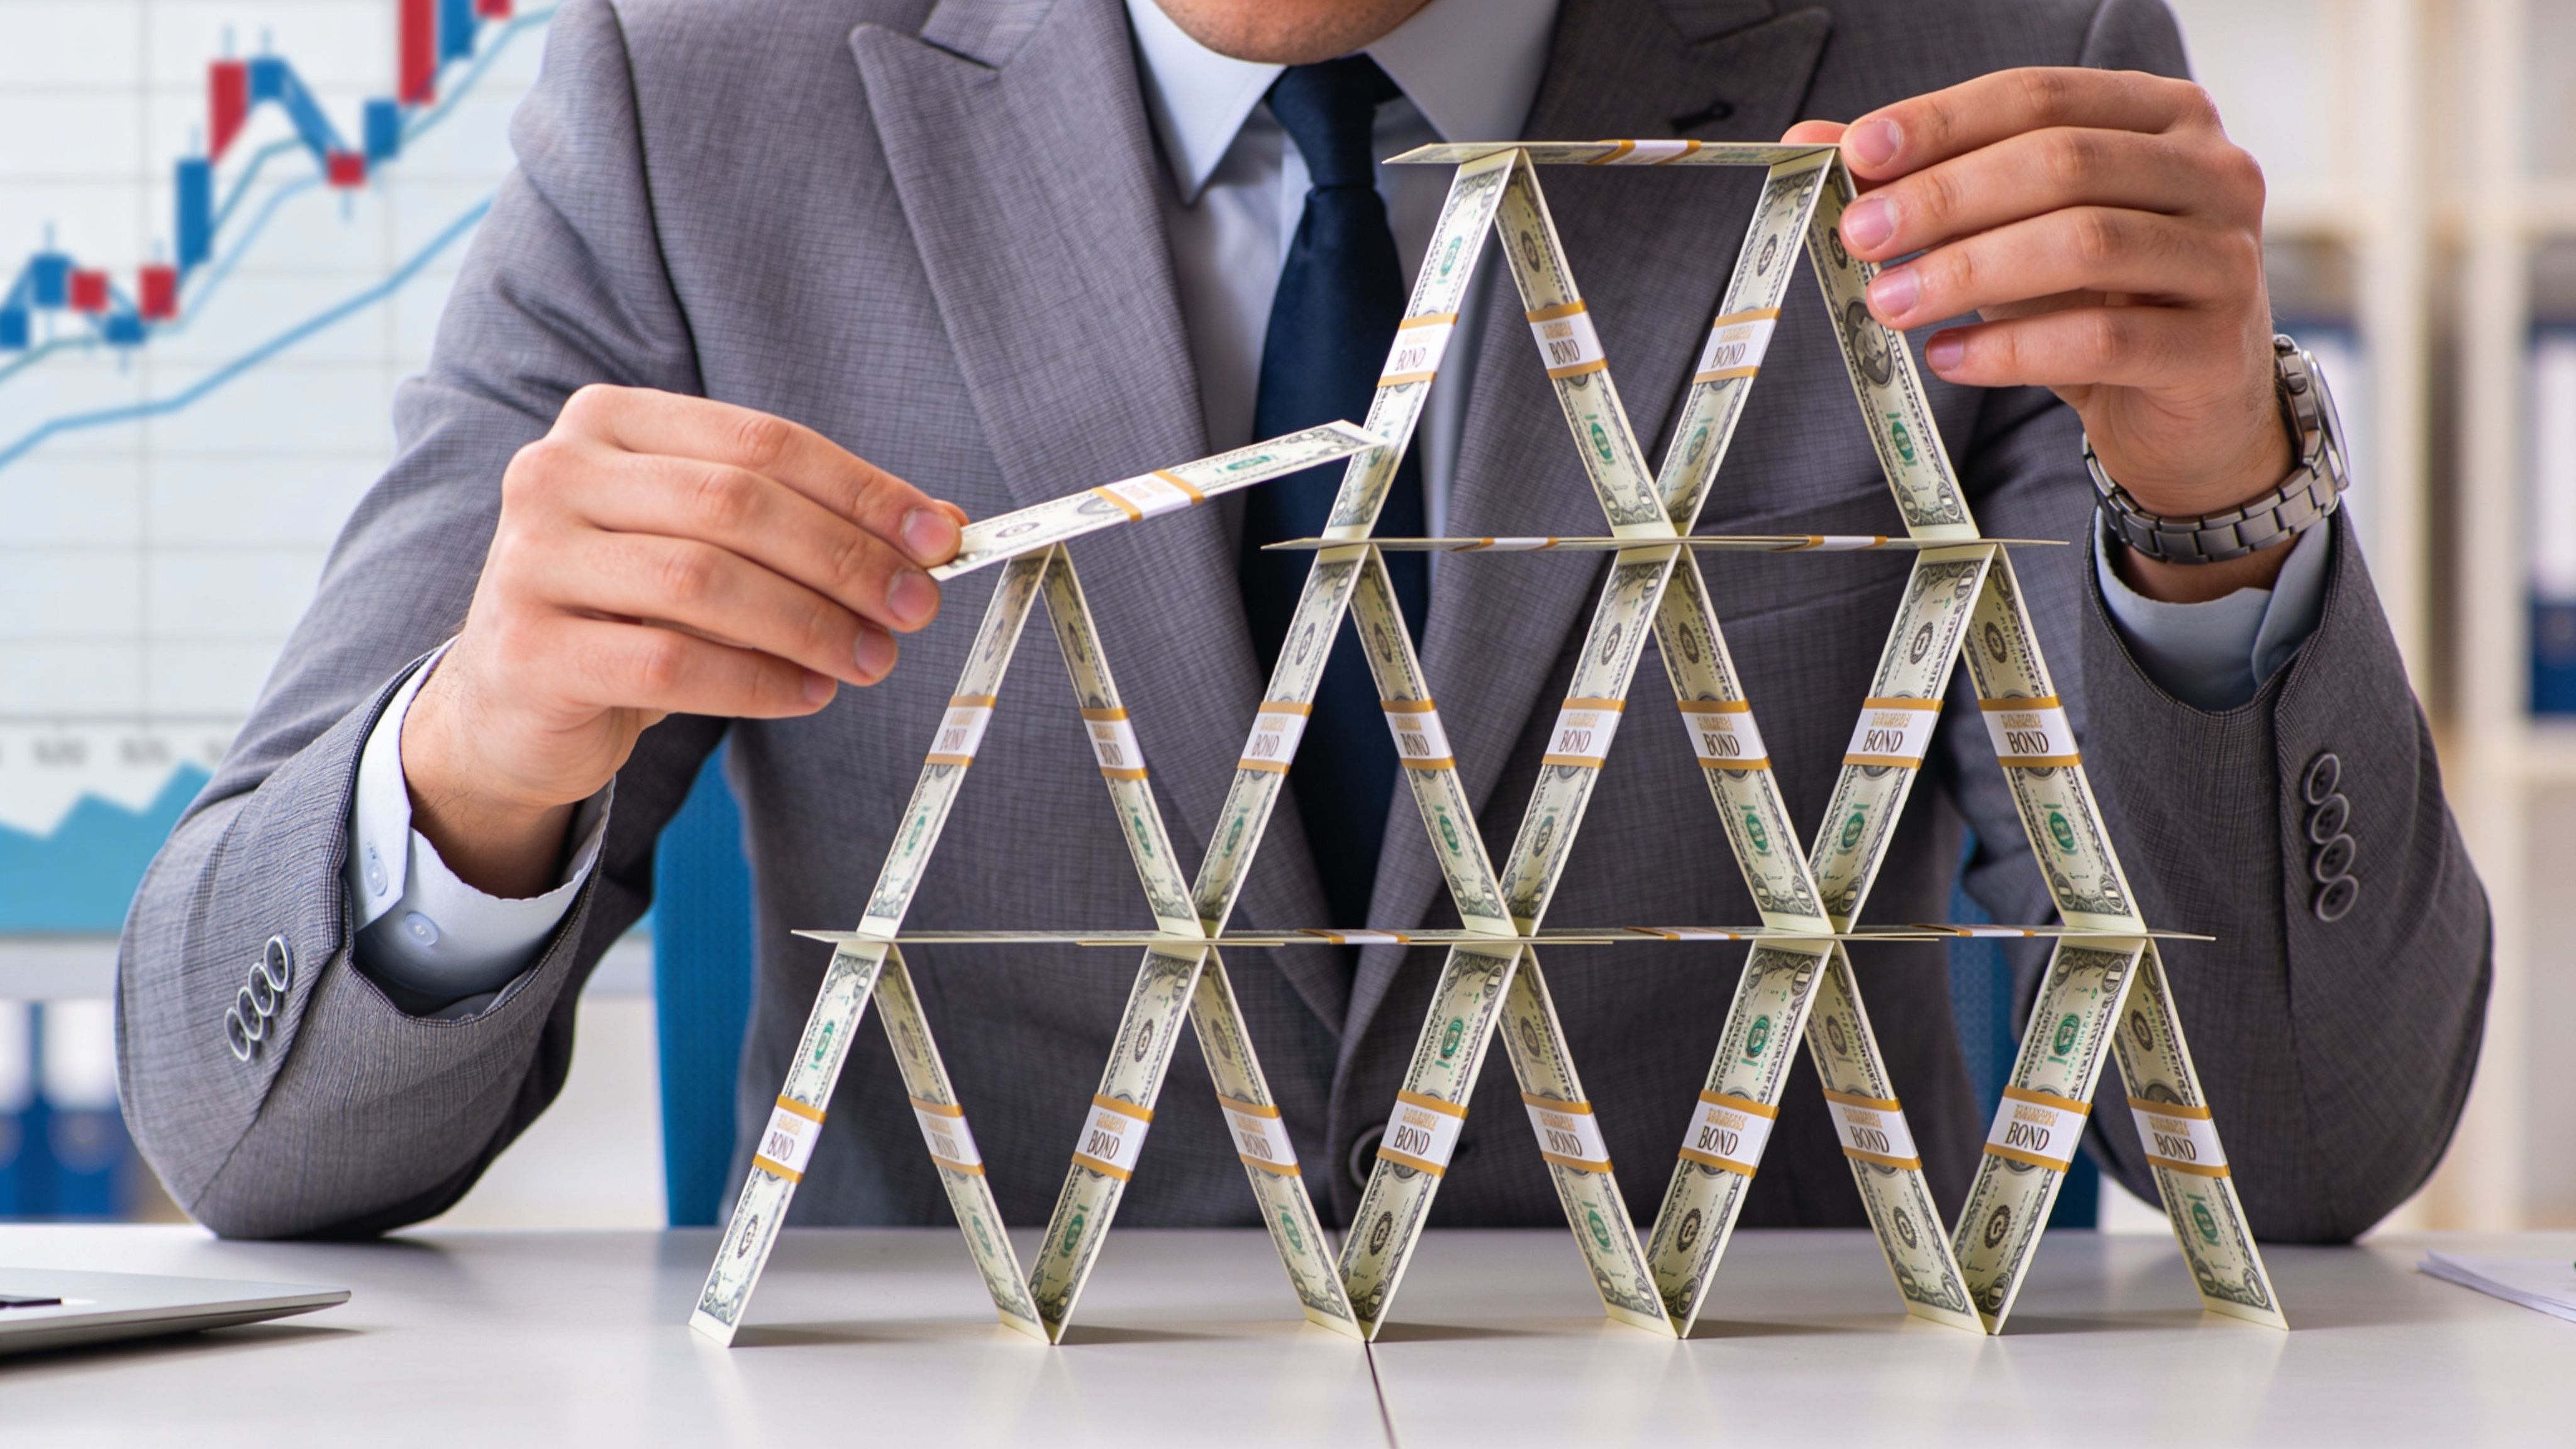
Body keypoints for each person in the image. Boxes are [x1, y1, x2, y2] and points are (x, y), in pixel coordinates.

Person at [118, 0, 2487, 1244]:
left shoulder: (1964, 75)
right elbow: (245, 1122)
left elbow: (2307, 1154)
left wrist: (2214, 500)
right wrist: (479, 762)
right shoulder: (693, 106)